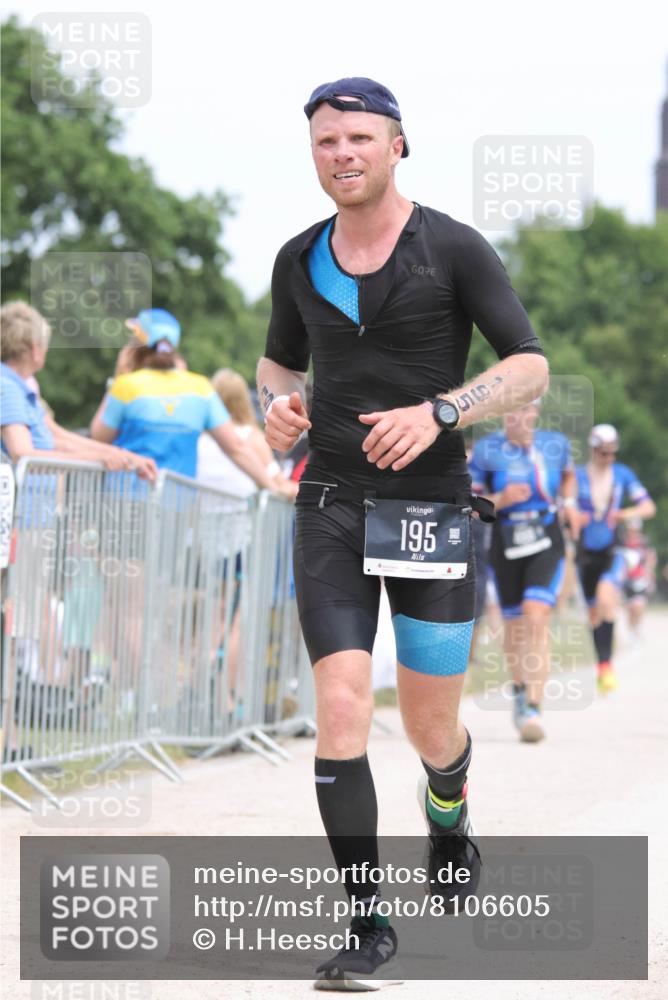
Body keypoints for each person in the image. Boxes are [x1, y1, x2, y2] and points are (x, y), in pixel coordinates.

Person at [258, 77, 548, 989]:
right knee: (343, 707)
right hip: (332, 503)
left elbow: (530, 366)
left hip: (430, 510)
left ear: (396, 144)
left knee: (430, 727)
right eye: (323, 141)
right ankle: (367, 923)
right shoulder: (297, 257)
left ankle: (449, 805)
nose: (339, 154)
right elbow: (274, 362)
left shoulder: (454, 247)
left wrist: (443, 410)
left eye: (357, 138)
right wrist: (277, 407)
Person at [469, 400, 579, 743]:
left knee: (536, 616)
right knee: (515, 628)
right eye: (514, 410)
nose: (520, 416)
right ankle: (519, 687)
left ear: (536, 413)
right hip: (505, 540)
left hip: (545, 537)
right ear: (505, 414)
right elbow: (471, 503)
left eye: (527, 409)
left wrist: (571, 505)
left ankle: (534, 706)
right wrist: (502, 497)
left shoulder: (555, 444)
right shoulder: (488, 450)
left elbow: (569, 476)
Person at [90, 308, 289, 495]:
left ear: (137, 347)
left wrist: (119, 376)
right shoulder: (200, 388)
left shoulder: (125, 386)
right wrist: (272, 487)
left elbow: (99, 436)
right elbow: (236, 448)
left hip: (126, 501)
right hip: (177, 507)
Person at [0, 301, 156, 479]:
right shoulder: (8, 388)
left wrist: (123, 456)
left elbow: (59, 440)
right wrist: (99, 457)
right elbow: (23, 455)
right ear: (35, 349)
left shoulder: (19, 388)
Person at [574, 425, 655, 692]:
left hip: (612, 550)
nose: (609, 458)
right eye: (604, 453)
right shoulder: (577, 477)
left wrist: (623, 514)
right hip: (585, 554)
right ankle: (603, 665)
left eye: (612, 453)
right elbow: (561, 509)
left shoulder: (623, 475)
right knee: (595, 613)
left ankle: (607, 666)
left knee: (607, 598)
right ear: (594, 450)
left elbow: (648, 507)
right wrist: (573, 517)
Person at [618, 518, 657, 640]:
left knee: (639, 607)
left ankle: (636, 629)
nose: (633, 532)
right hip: (626, 580)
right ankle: (632, 630)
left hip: (640, 580)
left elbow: (650, 560)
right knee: (630, 609)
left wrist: (650, 576)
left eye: (635, 530)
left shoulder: (644, 544)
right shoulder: (622, 543)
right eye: (631, 530)